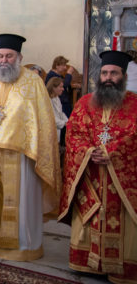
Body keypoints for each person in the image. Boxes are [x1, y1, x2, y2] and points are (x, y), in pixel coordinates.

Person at [0, 33, 60, 261]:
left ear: (19, 58)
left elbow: (44, 122)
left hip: (21, 156)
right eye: (0, 55)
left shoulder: (33, 83)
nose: (3, 60)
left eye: (9, 56)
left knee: (22, 203)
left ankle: (24, 247)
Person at [59, 51, 136, 283]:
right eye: (104, 73)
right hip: (90, 174)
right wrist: (89, 151)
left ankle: (121, 267)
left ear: (124, 76)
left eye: (114, 73)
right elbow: (74, 133)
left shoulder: (134, 104)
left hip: (121, 181)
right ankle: (86, 263)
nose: (108, 77)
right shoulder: (85, 103)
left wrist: (112, 151)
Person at [46, 77, 68, 142]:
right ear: (53, 87)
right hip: (48, 131)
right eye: (60, 87)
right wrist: (64, 123)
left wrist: (68, 122)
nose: (63, 89)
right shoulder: (47, 99)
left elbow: (60, 113)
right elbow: (51, 118)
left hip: (57, 129)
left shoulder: (56, 98)